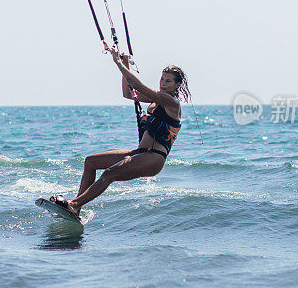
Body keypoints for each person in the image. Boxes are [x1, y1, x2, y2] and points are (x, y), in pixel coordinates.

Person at [48, 47, 191, 216]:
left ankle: (73, 204)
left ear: (177, 85)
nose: (162, 83)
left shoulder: (170, 101)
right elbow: (128, 93)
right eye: (162, 79)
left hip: (154, 157)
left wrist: (117, 62)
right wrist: (124, 62)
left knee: (110, 173)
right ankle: (76, 208)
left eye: (168, 81)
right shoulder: (157, 99)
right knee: (90, 162)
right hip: (141, 152)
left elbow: (137, 85)